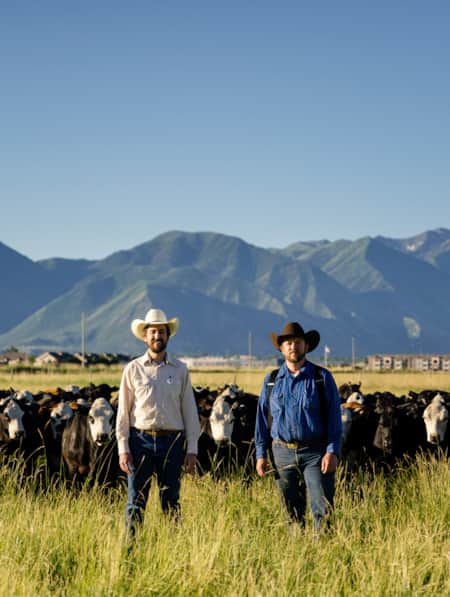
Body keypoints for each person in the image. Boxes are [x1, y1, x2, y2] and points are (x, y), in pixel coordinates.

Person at [116, 308, 200, 534]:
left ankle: (173, 551)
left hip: (172, 442)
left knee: (171, 499)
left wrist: (192, 449)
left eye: (161, 331)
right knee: (136, 500)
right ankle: (131, 552)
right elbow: (123, 411)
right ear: (145, 336)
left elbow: (190, 411)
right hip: (139, 440)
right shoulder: (132, 369)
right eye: (152, 332)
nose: (157, 336)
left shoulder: (180, 370)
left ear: (168, 335)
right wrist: (123, 448)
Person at [255, 322, 342, 530]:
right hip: (281, 451)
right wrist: (261, 454)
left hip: (315, 452)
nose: (293, 346)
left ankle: (324, 553)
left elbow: (334, 419)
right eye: (288, 343)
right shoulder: (271, 380)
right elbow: (262, 420)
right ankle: (298, 553)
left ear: (306, 347)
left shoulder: (322, 378)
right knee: (291, 509)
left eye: (297, 342)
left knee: (322, 507)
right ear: (281, 348)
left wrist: (332, 451)